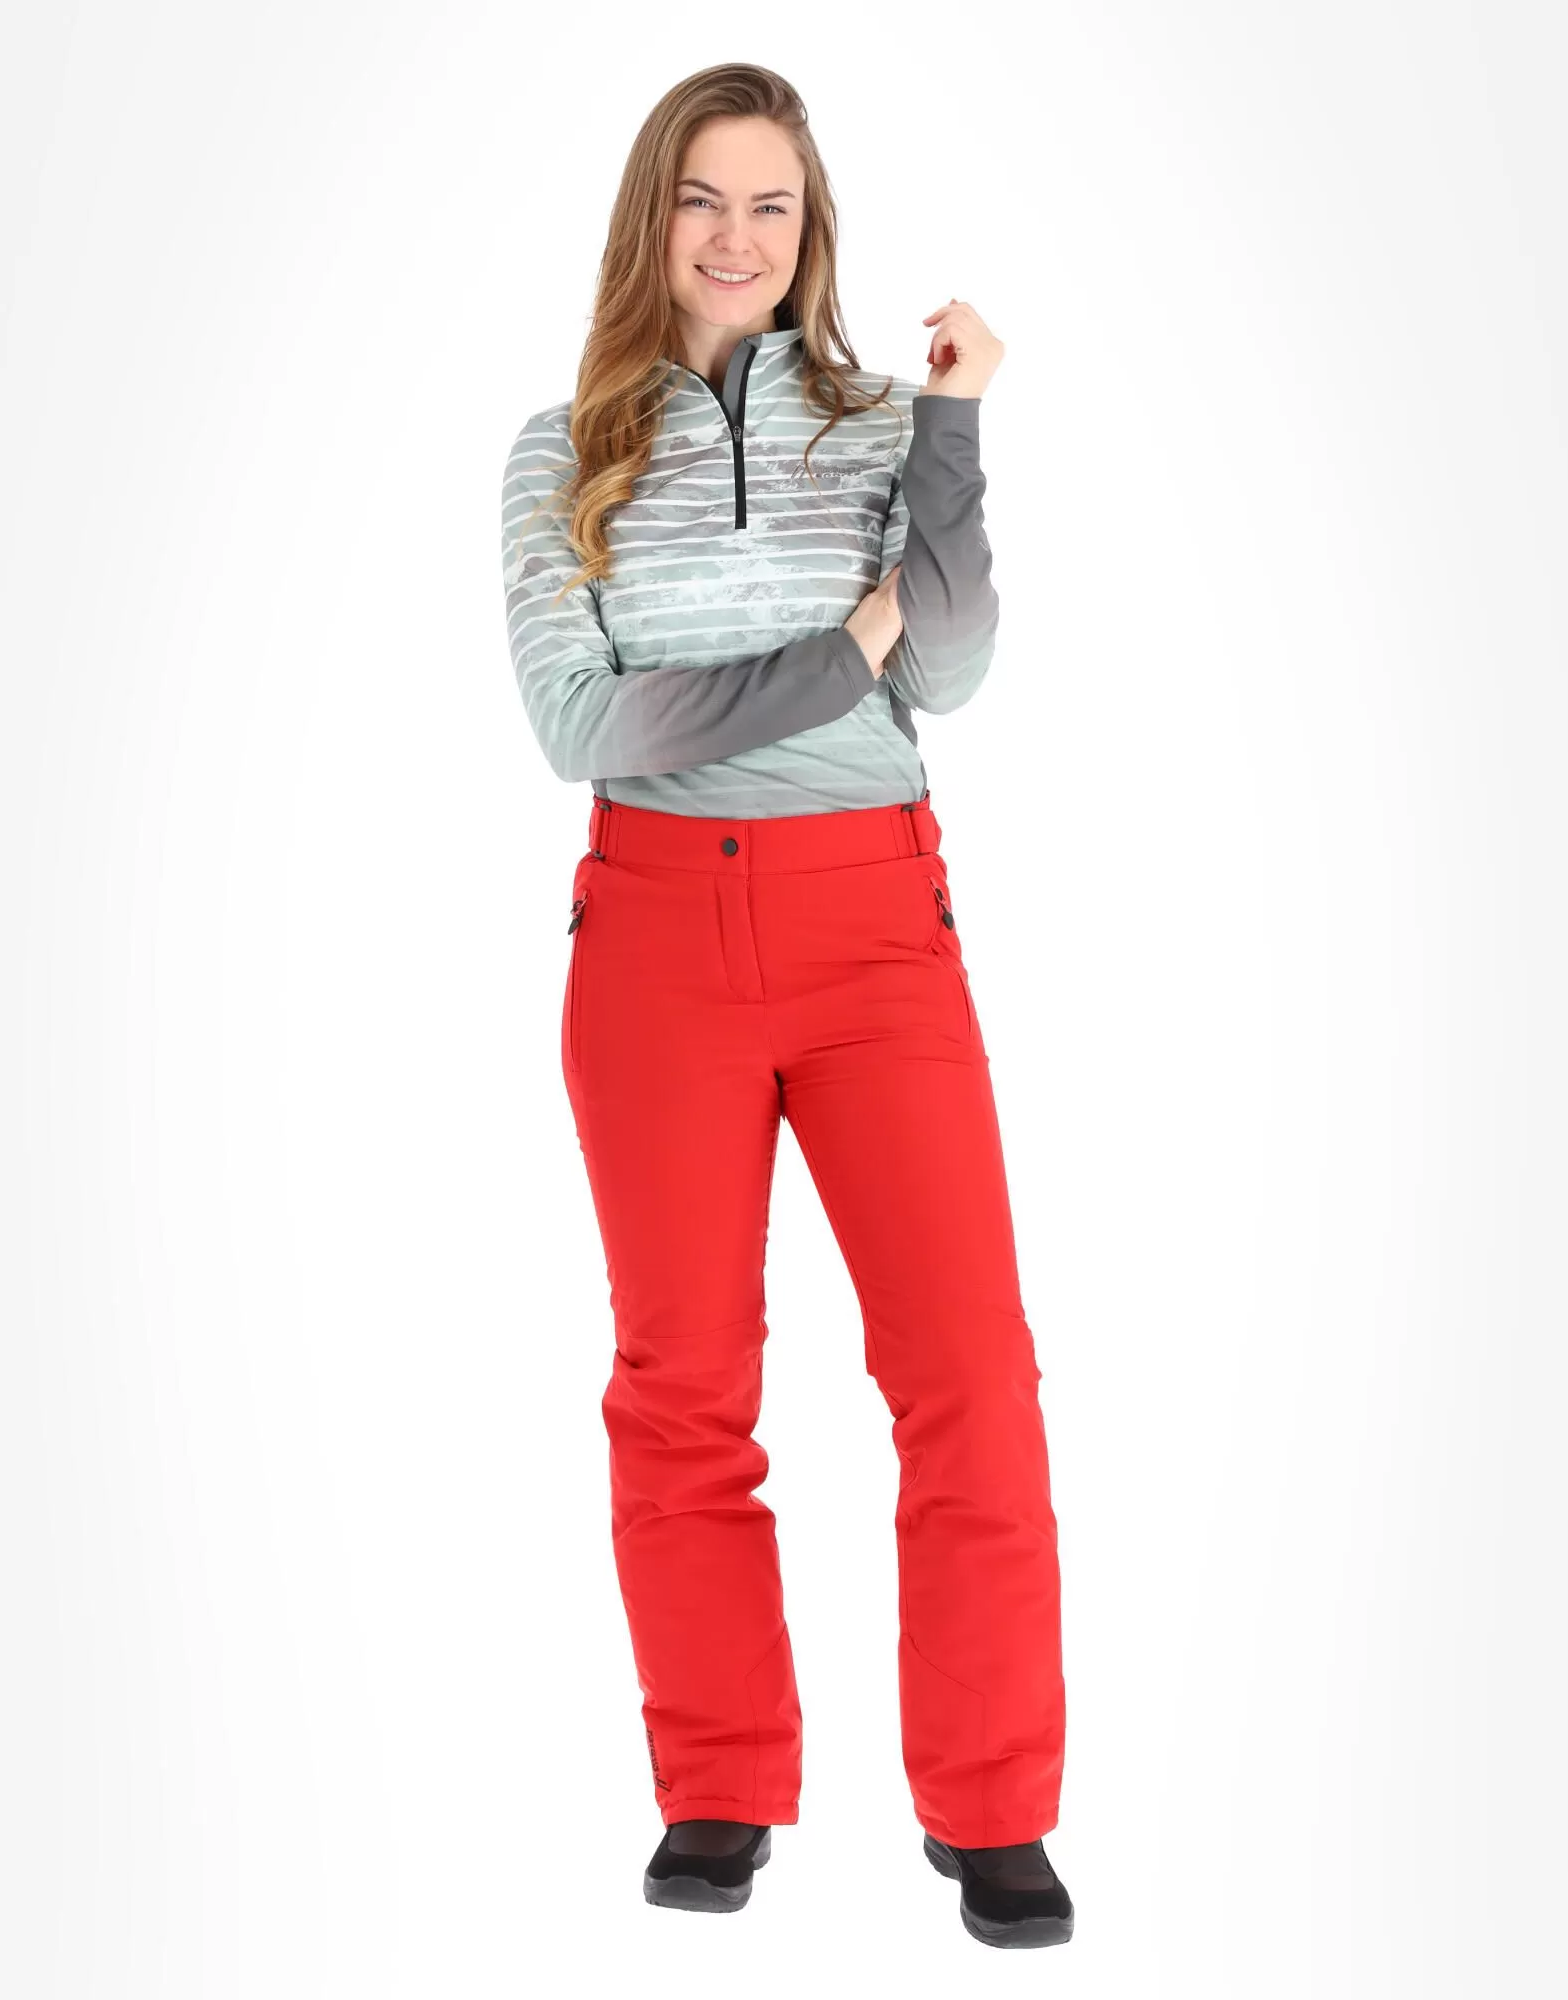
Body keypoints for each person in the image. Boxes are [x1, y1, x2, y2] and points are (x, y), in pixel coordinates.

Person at [499, 63, 1072, 1950]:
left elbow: (955, 666)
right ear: (649, 219)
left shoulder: (886, 426)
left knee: (968, 1370)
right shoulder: (559, 454)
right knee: (682, 1384)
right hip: (654, 937)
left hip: (873, 926)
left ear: (811, 228)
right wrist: (847, 646)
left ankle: (993, 1807)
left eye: (771, 204)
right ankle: (720, 1784)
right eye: (701, 199)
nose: (735, 237)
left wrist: (957, 431)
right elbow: (589, 726)